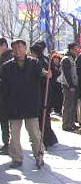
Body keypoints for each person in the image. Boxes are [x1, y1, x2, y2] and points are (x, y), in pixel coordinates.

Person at [1, 39, 47, 168]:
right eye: (14, 48)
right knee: (14, 135)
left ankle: (39, 156)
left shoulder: (35, 63)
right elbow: (4, 88)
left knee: (34, 133)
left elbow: (42, 77)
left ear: (25, 47)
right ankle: (16, 158)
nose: (17, 50)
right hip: (14, 105)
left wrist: (47, 75)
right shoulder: (7, 67)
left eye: (20, 47)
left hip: (30, 104)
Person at [30, 42, 58, 148]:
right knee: (45, 116)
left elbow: (54, 73)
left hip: (42, 92)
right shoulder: (46, 59)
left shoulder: (39, 62)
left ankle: (46, 138)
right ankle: (48, 137)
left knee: (43, 116)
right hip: (46, 91)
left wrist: (48, 76)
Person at [60, 43, 80, 131]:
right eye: (75, 49)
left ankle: (71, 123)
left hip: (75, 85)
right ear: (71, 49)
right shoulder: (66, 59)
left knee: (73, 105)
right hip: (68, 86)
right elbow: (67, 74)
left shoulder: (73, 59)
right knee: (68, 105)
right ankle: (66, 124)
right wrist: (71, 85)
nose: (77, 51)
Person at [0, 37, 13, 154]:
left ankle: (8, 144)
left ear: (4, 45)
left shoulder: (8, 58)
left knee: (5, 121)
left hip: (6, 95)